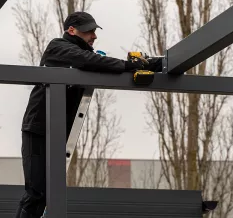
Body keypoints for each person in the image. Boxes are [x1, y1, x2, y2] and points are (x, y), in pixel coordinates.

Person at [15, 11, 162, 218]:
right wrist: (127, 65)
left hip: (59, 131)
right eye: (88, 31)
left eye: (94, 31)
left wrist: (149, 65)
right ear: (71, 30)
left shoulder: (87, 59)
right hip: (38, 129)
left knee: (48, 193)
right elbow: (88, 60)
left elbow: (103, 65)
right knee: (36, 191)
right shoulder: (56, 48)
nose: (93, 36)